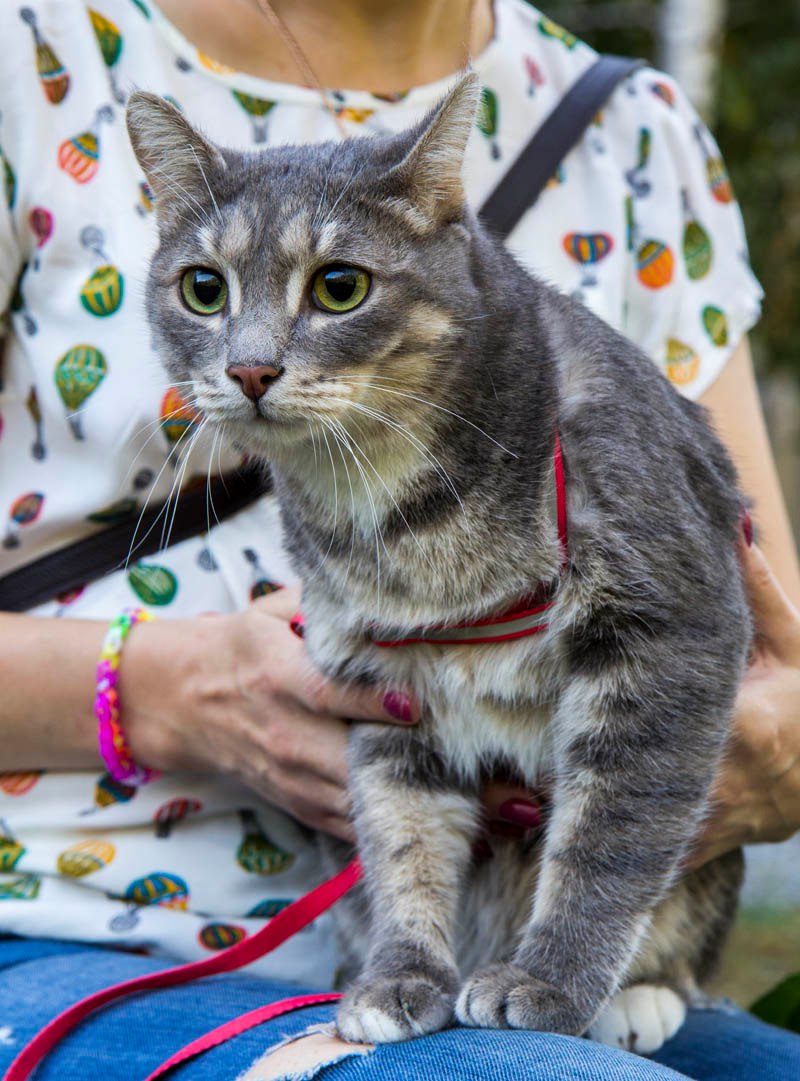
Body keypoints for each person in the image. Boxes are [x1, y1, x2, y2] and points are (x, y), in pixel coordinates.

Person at [0, 1, 798, 1078]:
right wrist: (165, 690)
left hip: (554, 932)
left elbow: (768, 654)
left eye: (334, 288)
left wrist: (756, 743)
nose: (250, 361)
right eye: (203, 291)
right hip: (88, 930)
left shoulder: (635, 133)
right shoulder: (33, 54)